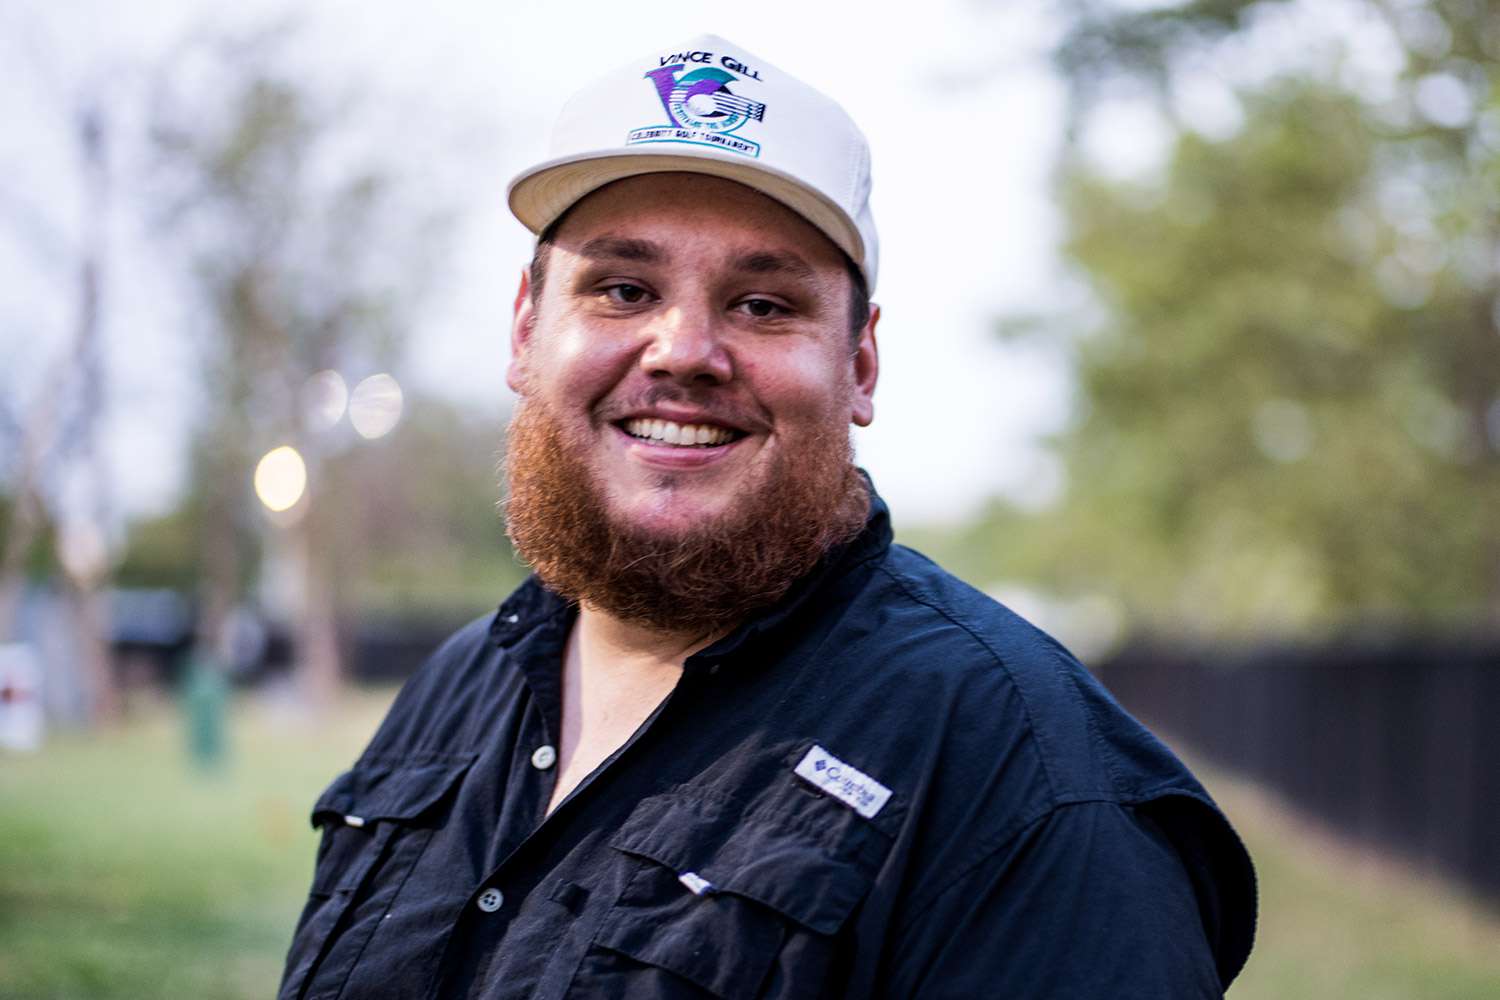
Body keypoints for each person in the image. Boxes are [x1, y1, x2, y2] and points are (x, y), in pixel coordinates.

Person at [278, 34, 1256, 1000]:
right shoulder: (454, 691)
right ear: (527, 328)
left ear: (861, 364)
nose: (684, 350)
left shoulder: (1029, 786)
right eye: (623, 289)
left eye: (762, 304)